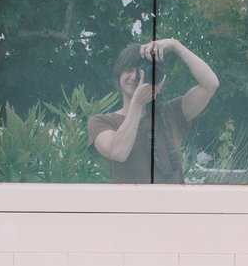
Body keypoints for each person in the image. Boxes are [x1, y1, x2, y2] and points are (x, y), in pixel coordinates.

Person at [87, 38, 219, 184]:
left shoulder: (171, 113)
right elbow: (118, 152)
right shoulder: (101, 122)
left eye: (141, 71)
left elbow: (210, 84)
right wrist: (137, 103)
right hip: (130, 206)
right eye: (128, 70)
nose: (134, 77)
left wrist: (175, 45)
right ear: (118, 75)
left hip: (171, 205)